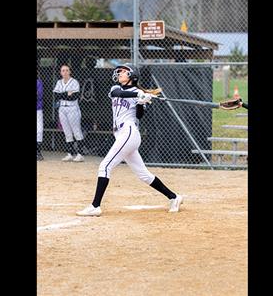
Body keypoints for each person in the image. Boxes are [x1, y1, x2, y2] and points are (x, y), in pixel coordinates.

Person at [76, 64, 183, 217]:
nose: (119, 73)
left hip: (129, 132)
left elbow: (139, 116)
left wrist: (142, 101)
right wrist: (137, 96)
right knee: (144, 175)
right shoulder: (115, 88)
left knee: (104, 166)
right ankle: (174, 197)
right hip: (120, 134)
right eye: (119, 71)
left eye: (123, 72)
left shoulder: (139, 93)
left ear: (131, 76)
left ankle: (95, 206)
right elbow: (120, 93)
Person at [53, 64, 85, 162]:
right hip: (62, 109)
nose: (65, 72)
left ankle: (80, 154)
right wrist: (67, 93)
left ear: (70, 72)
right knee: (67, 132)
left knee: (76, 131)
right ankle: (70, 154)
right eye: (63, 70)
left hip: (72, 108)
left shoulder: (74, 82)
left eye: (67, 70)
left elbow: (74, 97)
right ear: (60, 72)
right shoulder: (59, 82)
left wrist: (62, 95)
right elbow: (55, 95)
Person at [37, 77, 44, 161]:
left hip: (38, 109)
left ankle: (38, 152)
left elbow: (39, 95)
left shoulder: (38, 82)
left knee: (39, 130)